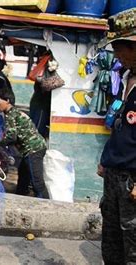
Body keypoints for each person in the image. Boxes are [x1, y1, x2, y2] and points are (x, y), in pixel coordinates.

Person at [98, 8, 136, 264]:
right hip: (114, 175)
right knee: (111, 237)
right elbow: (121, 128)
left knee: (132, 240)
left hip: (133, 179)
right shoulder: (126, 78)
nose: (117, 55)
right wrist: (106, 160)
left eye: (120, 48)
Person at [0, 89, 49, 199]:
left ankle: (46, 205)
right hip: (32, 149)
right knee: (23, 178)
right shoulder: (15, 112)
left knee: (37, 182)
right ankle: (20, 199)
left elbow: (11, 136)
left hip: (33, 149)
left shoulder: (10, 115)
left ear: (7, 101)